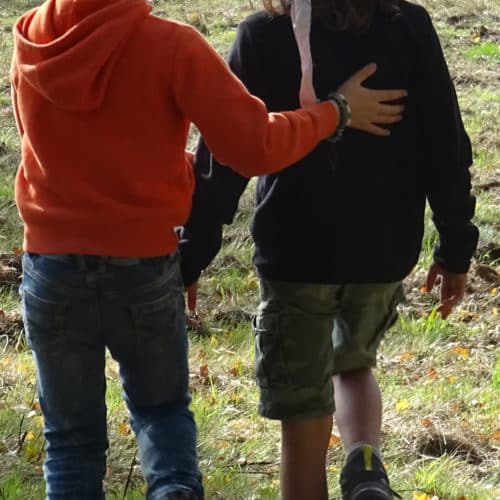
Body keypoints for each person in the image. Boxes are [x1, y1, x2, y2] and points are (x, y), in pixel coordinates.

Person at [10, 0, 407, 498]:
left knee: (69, 443)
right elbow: (254, 146)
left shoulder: (31, 39)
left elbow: (48, 150)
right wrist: (334, 112)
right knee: (160, 415)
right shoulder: (172, 45)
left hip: (51, 268)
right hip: (143, 266)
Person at [179, 1, 479, 499]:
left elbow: (225, 152)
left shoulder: (263, 34)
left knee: (303, 416)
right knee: (355, 363)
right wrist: (455, 245)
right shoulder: (408, 26)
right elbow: (444, 141)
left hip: (297, 252)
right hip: (382, 251)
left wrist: (193, 251)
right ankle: (364, 465)